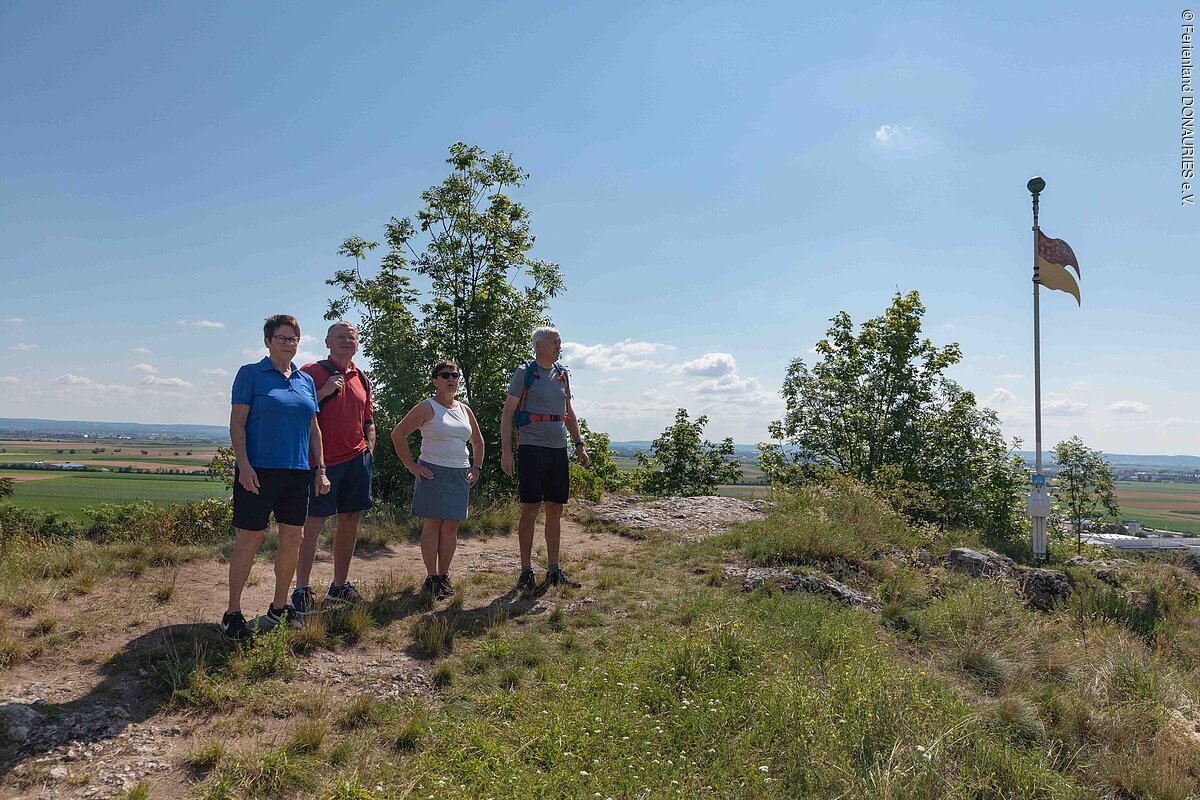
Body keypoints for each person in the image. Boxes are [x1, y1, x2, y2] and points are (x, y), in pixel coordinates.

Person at [223, 315, 331, 641]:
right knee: (250, 539)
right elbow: (237, 424)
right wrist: (244, 466)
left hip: (297, 472)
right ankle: (233, 612)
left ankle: (280, 606)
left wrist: (321, 469)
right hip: (258, 471)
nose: (289, 344)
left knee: (292, 539)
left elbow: (314, 429)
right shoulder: (251, 374)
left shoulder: (305, 381)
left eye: (294, 339)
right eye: (283, 338)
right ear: (268, 341)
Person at [291, 321, 376, 615]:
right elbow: (296, 411)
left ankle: (339, 586)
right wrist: (324, 391)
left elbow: (368, 422)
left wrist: (369, 452)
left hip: (356, 461)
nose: (346, 340)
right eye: (339, 336)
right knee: (312, 524)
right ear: (327, 342)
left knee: (350, 520)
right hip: (321, 464)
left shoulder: (361, 377)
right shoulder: (310, 373)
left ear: (357, 342)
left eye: (351, 336)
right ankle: (301, 588)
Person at [500, 326, 589, 594]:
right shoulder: (525, 373)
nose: (559, 346)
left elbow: (569, 412)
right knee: (530, 509)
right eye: (555, 342)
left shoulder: (561, 375)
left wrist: (579, 445)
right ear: (539, 345)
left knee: (555, 509)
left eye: (559, 342)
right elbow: (508, 413)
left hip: (558, 449)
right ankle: (526, 571)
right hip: (531, 448)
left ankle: (553, 569)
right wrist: (507, 451)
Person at [391, 361, 485, 599]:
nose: (451, 379)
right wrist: (412, 466)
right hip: (432, 471)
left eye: (455, 375)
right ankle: (431, 577)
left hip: (460, 473)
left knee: (452, 526)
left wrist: (476, 467)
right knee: (432, 524)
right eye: (445, 375)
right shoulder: (427, 407)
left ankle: (444, 576)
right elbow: (398, 434)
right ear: (435, 381)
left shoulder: (464, 409)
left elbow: (478, 441)